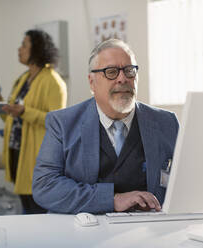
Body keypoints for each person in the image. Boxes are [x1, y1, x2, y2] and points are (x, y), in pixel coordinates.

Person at [32, 39, 179, 214]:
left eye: (129, 71)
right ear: (91, 82)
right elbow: (45, 186)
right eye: (111, 72)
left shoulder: (166, 122)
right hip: (83, 231)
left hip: (147, 230)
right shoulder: (63, 124)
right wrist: (112, 200)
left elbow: (187, 180)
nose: (122, 78)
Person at [0, 29, 67, 214]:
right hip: (17, 152)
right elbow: (9, 117)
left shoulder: (53, 82)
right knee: (26, 207)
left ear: (37, 49)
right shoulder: (23, 79)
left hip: (37, 157)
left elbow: (57, 123)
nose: (19, 49)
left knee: (37, 209)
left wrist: (25, 111)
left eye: (24, 45)